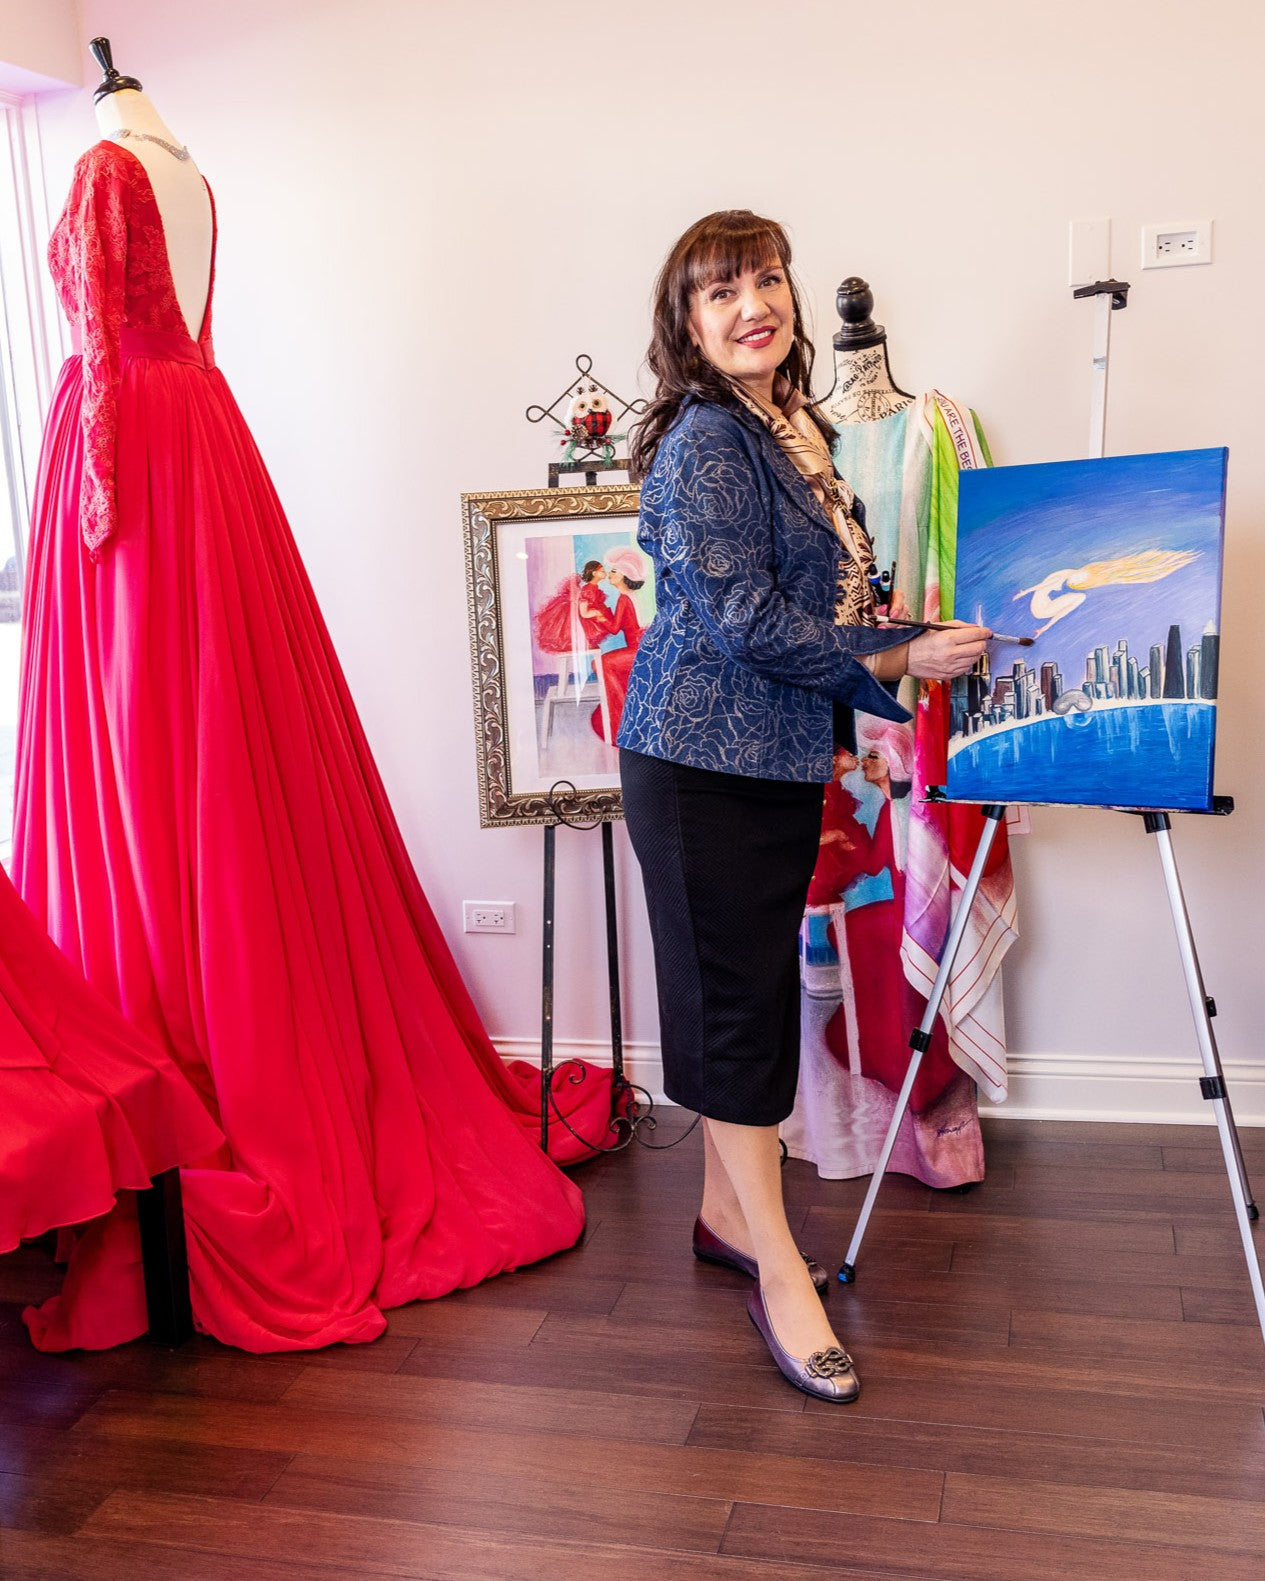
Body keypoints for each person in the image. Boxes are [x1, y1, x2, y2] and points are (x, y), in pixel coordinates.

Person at [617, 210, 990, 1402]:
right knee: (735, 1011)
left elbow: (820, 606)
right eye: (720, 291)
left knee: (748, 997)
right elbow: (744, 623)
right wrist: (900, 659)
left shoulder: (790, 427)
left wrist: (914, 634)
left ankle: (725, 1217)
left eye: (766, 280)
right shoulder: (706, 441)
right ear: (686, 323)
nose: (753, 306)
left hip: (767, 761)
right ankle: (779, 1273)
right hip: (700, 767)